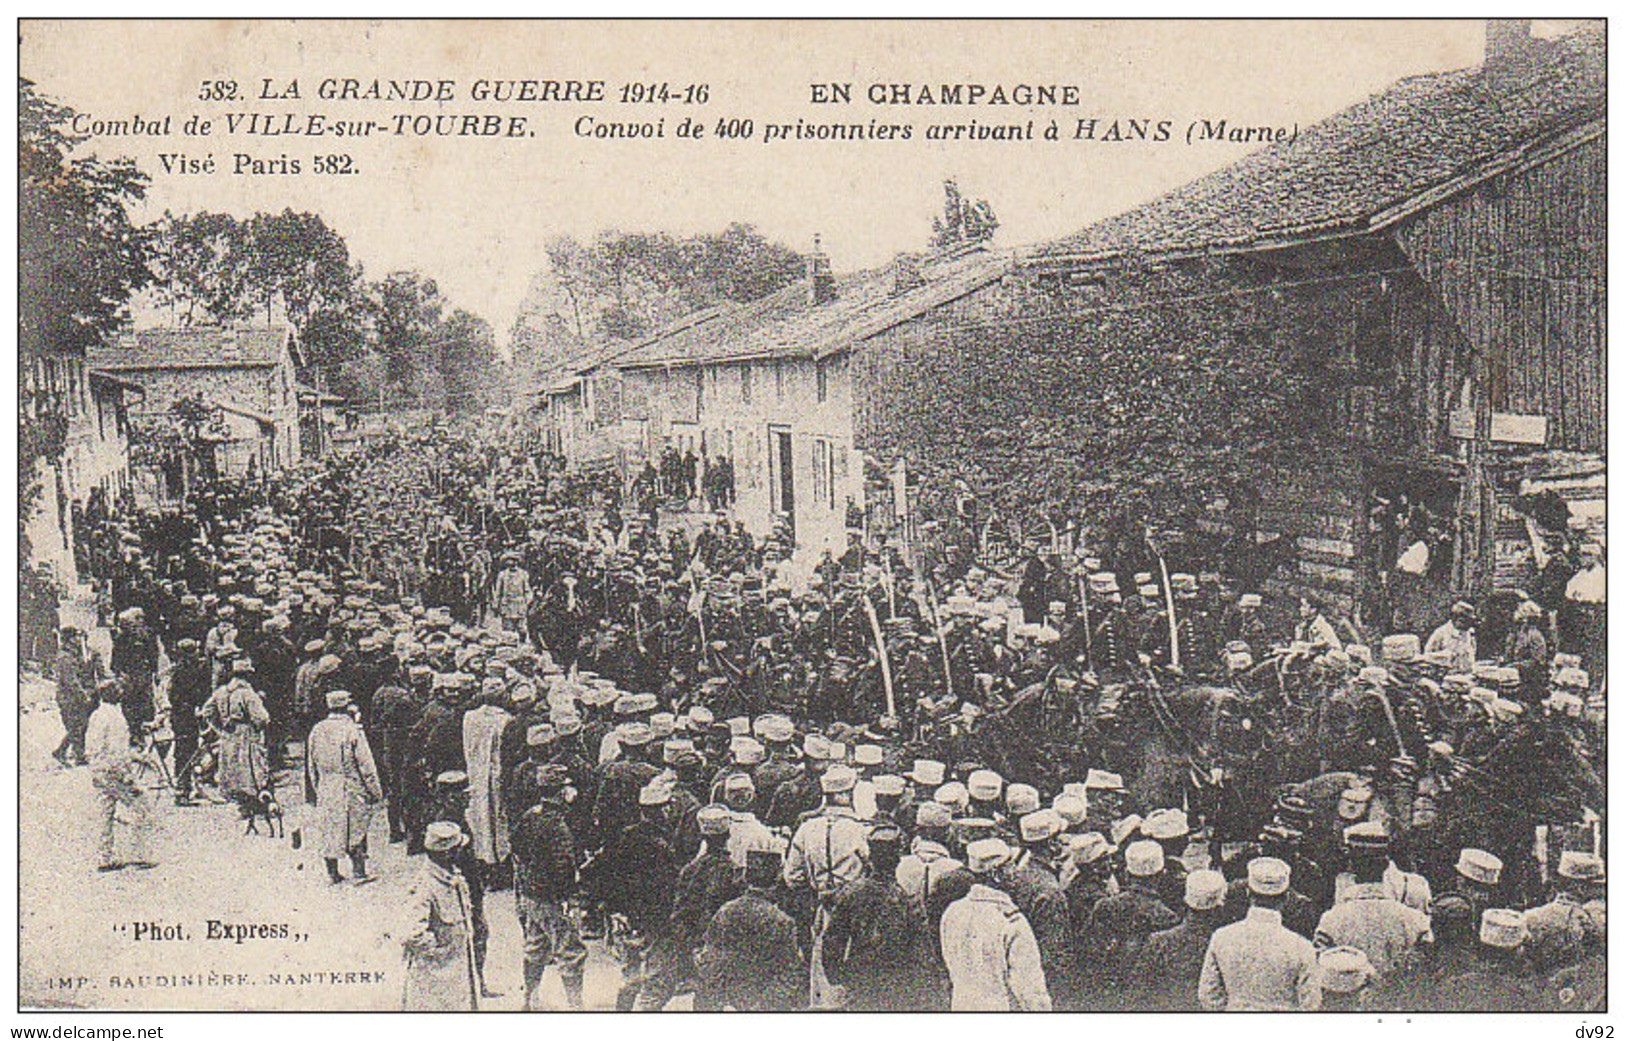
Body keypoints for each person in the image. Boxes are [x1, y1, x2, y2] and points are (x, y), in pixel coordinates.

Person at [820, 824, 932, 1010]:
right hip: (896, 983)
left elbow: (833, 940)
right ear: (897, 859)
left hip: (859, 978)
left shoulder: (851, 893)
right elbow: (920, 949)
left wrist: (838, 975)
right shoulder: (906, 898)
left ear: (871, 857)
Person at [939, 837, 1051, 1011]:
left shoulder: (952, 911)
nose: (1015, 872)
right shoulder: (1012, 921)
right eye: (1010, 866)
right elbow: (1031, 991)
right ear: (996, 875)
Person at [1198, 857, 1321, 1011]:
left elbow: (1207, 995)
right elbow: (1311, 1003)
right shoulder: (1301, 947)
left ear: (1248, 893)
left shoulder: (1222, 937)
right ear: (1286, 898)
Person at [509, 762, 586, 1010]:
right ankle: (576, 1006)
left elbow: (517, 848)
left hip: (532, 894)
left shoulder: (531, 815)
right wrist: (568, 897)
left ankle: (529, 999)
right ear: (560, 792)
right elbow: (565, 867)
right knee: (571, 953)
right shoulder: (557, 826)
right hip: (554, 899)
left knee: (535, 947)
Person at [696, 847, 808, 1010]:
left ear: (746, 877)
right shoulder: (782, 921)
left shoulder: (725, 911)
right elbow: (790, 975)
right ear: (777, 879)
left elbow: (709, 962)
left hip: (728, 1002)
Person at [304, 689, 384, 885]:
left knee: (329, 826)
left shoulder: (317, 729)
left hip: (326, 783)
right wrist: (376, 792)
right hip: (350, 783)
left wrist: (318, 787)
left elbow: (311, 764)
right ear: (347, 707)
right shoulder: (352, 730)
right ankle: (359, 872)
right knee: (356, 828)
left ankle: (332, 873)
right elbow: (366, 766)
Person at [401, 820, 481, 1011]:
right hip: (435, 978)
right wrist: (440, 952)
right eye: (457, 848)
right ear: (448, 853)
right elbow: (412, 934)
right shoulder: (425, 887)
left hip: (456, 973)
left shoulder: (452, 877)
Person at [85, 680, 155, 872]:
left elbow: (92, 748)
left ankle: (104, 857)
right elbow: (118, 751)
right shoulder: (115, 717)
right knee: (142, 807)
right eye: (117, 689)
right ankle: (138, 854)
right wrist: (127, 775)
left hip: (99, 771)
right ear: (109, 694)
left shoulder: (97, 715)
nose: (122, 691)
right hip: (114, 772)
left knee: (105, 813)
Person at [1137, 868, 1228, 1010]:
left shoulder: (1159, 942)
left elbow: (1139, 992)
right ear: (1220, 907)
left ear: (1186, 901)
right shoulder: (1226, 946)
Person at [203, 657, 271, 817]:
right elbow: (262, 718)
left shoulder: (221, 692)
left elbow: (207, 711)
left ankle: (242, 805)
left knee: (232, 770)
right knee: (251, 768)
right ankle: (255, 804)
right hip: (246, 734)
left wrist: (219, 727)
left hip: (228, 735)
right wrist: (258, 728)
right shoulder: (247, 694)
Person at [53, 626, 95, 767]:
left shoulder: (75, 654)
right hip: (68, 698)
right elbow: (71, 681)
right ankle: (65, 752)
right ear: (70, 640)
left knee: (80, 726)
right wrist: (84, 695)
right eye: (76, 637)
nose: (79, 639)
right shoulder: (65, 657)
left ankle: (74, 753)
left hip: (75, 697)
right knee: (76, 727)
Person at [1425, 601, 1478, 674]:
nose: (1469, 624)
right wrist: (1445, 656)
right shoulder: (1441, 633)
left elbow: (1472, 657)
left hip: (1466, 678)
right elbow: (1427, 657)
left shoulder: (1469, 634)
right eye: (1467, 621)